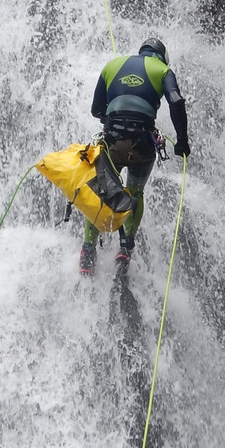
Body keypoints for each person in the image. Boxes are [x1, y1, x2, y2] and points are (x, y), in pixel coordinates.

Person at [80, 37, 190, 274]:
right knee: (135, 191)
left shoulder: (112, 65)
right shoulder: (163, 70)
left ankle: (88, 250)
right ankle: (125, 249)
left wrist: (116, 117)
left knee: (101, 190)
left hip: (112, 141)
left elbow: (96, 110)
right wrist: (182, 140)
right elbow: (176, 101)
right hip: (142, 144)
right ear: (161, 56)